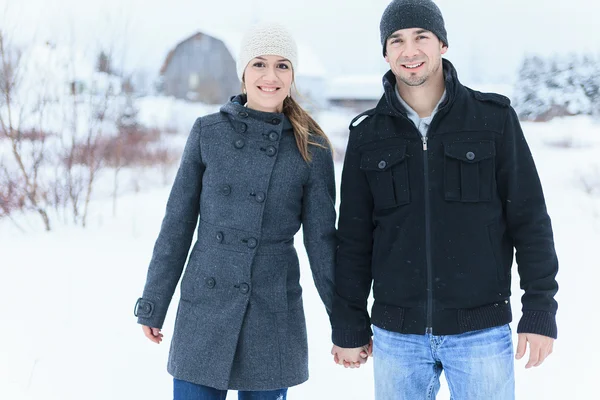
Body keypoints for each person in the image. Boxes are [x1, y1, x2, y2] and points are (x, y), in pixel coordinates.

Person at [330, 0, 559, 398]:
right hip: (396, 336)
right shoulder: (368, 134)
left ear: (442, 45)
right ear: (386, 53)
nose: (410, 50)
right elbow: (353, 239)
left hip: (481, 331)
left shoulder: (493, 118)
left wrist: (539, 309)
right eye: (397, 40)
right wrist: (348, 323)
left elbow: (530, 219)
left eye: (422, 36)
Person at [134, 22, 337, 400]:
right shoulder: (207, 133)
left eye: (282, 65)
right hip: (205, 310)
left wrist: (345, 324)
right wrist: (154, 301)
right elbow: (176, 224)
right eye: (259, 64)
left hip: (271, 313)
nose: (270, 76)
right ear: (243, 71)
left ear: (293, 74)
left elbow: (323, 243)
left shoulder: (312, 146)